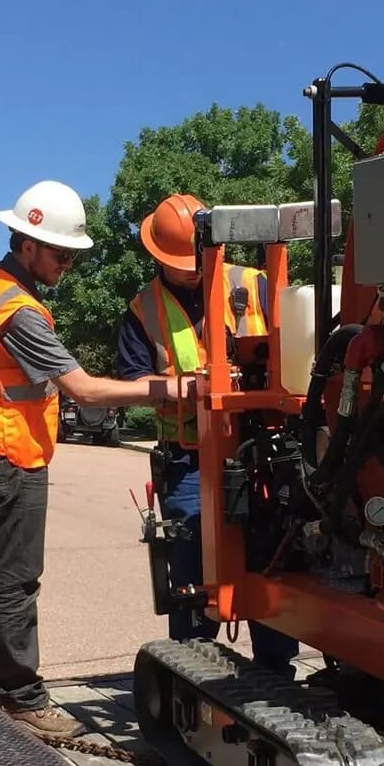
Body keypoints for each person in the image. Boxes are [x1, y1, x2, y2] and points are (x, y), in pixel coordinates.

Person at [0, 179, 195, 739]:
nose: (67, 265)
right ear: (27, 243)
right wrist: (166, 391)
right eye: (60, 253)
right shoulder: (18, 311)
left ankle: (2, 685)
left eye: (72, 256)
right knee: (17, 578)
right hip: (7, 452)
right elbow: (84, 391)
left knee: (6, 575)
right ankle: (20, 696)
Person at [115, 192, 300, 678]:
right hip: (191, 460)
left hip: (262, 450)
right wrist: (188, 386)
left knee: (271, 559)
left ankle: (275, 672)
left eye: (198, 258)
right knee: (195, 564)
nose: (193, 270)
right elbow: (133, 383)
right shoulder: (143, 310)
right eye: (181, 263)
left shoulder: (255, 283)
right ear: (158, 257)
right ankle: (194, 673)